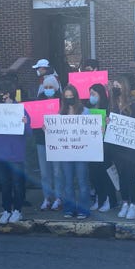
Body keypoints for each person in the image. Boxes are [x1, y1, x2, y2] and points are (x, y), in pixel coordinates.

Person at [0, 80, 29, 224]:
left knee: (17, 184)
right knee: (5, 184)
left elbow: (29, 133)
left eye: (0, 93)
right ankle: (7, 209)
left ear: (8, 94)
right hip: (1, 153)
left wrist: (25, 124)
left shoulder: (20, 109)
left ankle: (17, 210)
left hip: (16, 154)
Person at [110, 74, 135, 220]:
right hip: (117, 146)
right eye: (114, 86)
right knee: (121, 176)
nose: (116, 88)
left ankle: (133, 204)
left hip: (132, 147)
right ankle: (125, 202)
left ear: (125, 87)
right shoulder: (111, 104)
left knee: (131, 175)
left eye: (119, 86)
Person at [56, 84, 92, 219]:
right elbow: (57, 132)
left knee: (83, 182)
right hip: (66, 152)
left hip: (81, 152)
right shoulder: (60, 113)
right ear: (63, 99)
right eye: (67, 97)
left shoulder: (85, 111)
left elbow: (90, 131)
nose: (69, 99)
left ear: (76, 97)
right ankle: (69, 209)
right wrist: (47, 129)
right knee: (68, 182)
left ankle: (84, 209)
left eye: (71, 96)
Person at [33, 74, 64, 211]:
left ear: (56, 88)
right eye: (45, 87)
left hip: (57, 141)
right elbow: (33, 121)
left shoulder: (62, 102)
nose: (48, 89)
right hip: (41, 140)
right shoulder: (38, 101)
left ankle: (58, 197)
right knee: (44, 172)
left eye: (51, 87)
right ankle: (47, 198)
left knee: (57, 171)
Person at [87, 83, 117, 212]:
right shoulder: (89, 109)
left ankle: (110, 200)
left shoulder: (108, 108)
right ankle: (100, 198)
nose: (91, 97)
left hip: (105, 146)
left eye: (93, 94)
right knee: (94, 174)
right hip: (93, 145)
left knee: (105, 174)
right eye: (90, 94)